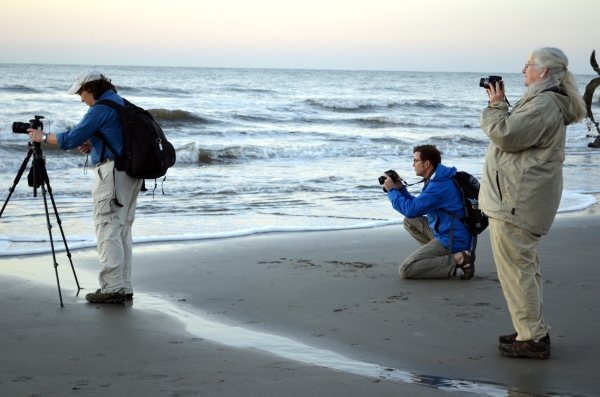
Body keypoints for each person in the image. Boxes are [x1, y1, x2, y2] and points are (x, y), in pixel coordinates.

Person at [480, 47, 586, 359]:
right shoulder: (546, 102)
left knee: (517, 271)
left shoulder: (543, 104)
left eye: (528, 66)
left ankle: (534, 337)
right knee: (524, 268)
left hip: (516, 201)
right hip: (521, 198)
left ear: (544, 72)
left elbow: (505, 134)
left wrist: (497, 106)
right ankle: (529, 328)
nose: (523, 70)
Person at [28, 70, 143, 304]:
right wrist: (96, 145)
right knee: (121, 230)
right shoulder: (121, 103)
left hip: (113, 174)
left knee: (107, 227)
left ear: (91, 89)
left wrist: (42, 137)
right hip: (132, 174)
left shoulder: (100, 108)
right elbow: (119, 137)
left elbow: (70, 138)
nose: (81, 98)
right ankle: (123, 285)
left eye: (81, 92)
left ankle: (112, 288)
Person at [382, 145, 473, 280]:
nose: (413, 164)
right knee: (410, 221)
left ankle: (459, 258)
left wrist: (391, 190)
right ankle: (438, 260)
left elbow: (411, 209)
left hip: (453, 239)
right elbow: (415, 208)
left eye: (415, 160)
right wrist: (400, 189)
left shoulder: (438, 185)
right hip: (450, 232)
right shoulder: (438, 179)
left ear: (427, 163)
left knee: (406, 269)